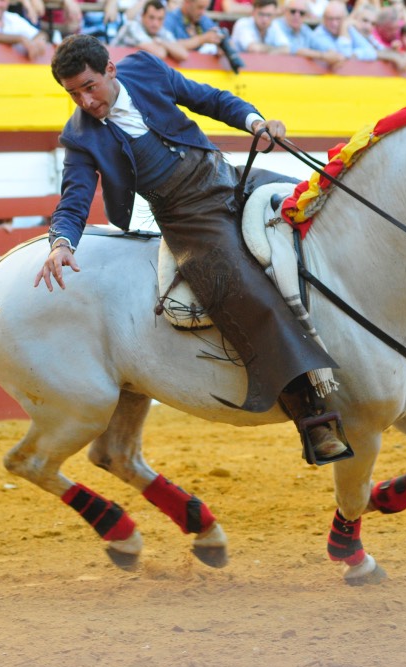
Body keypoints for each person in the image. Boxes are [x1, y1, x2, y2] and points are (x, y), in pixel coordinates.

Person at [34, 34, 349, 464]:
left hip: (229, 178)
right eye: (74, 94)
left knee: (320, 200)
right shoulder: (79, 136)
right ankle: (313, 418)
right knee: (245, 293)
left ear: (110, 69)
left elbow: (209, 99)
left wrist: (255, 122)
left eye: (89, 87)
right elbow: (74, 199)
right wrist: (61, 243)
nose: (85, 101)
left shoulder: (145, 68)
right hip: (190, 221)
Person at [111, 0, 188, 61]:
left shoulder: (162, 31)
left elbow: (183, 55)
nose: (155, 23)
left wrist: (161, 42)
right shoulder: (132, 26)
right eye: (151, 17)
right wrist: (168, 48)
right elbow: (160, 53)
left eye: (160, 19)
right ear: (142, 16)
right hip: (114, 65)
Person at [309, 0, 378, 61]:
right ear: (324, 19)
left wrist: (355, 54)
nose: (334, 23)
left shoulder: (349, 29)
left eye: (338, 19)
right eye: (330, 19)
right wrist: (344, 30)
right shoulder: (318, 35)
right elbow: (343, 56)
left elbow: (371, 52)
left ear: (345, 19)